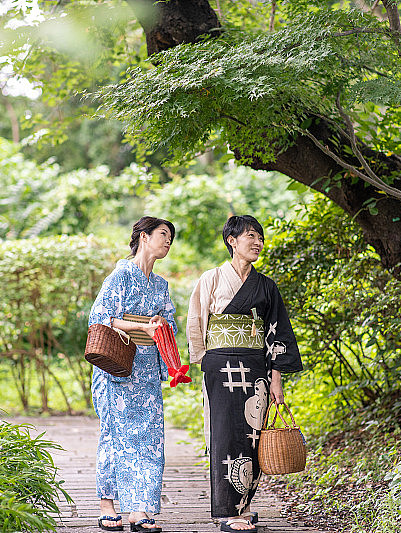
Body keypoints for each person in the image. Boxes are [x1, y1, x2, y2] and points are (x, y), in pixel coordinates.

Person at [186, 215, 303, 533]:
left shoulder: (266, 286)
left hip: (256, 368)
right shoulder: (211, 278)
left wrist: (276, 376)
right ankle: (226, 511)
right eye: (250, 235)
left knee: (253, 436)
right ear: (232, 241)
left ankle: (245, 505)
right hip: (220, 365)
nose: (257, 242)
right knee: (224, 435)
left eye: (260, 237)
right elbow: (196, 320)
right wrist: (202, 360)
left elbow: (278, 333)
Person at [89, 216, 177, 533]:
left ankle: (140, 510)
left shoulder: (162, 285)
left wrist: (160, 326)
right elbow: (100, 318)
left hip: (147, 368)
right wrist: (142, 325)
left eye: (171, 237)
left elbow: (171, 324)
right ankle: (108, 505)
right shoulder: (119, 275)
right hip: (117, 364)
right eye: (163, 234)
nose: (168, 241)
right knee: (116, 436)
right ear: (143, 237)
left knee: (149, 440)